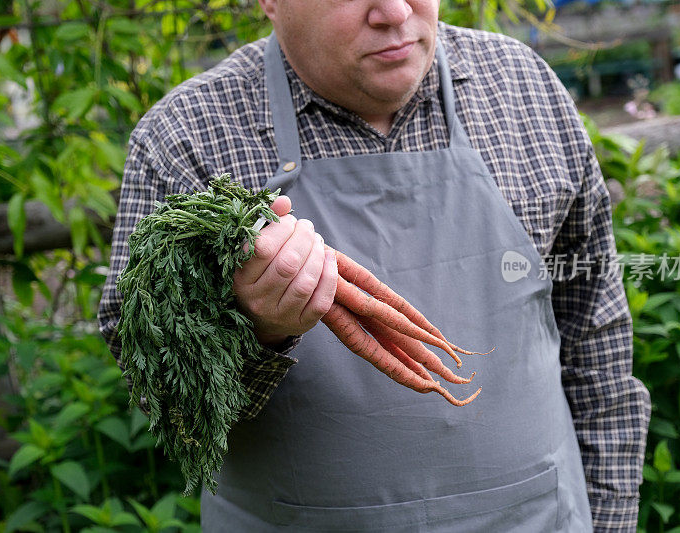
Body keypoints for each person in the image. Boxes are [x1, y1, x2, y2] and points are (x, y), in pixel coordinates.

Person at [98, 0, 651, 529]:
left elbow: (597, 340)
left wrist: (609, 515)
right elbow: (170, 406)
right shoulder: (185, 138)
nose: (394, 12)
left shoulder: (522, 89)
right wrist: (257, 332)